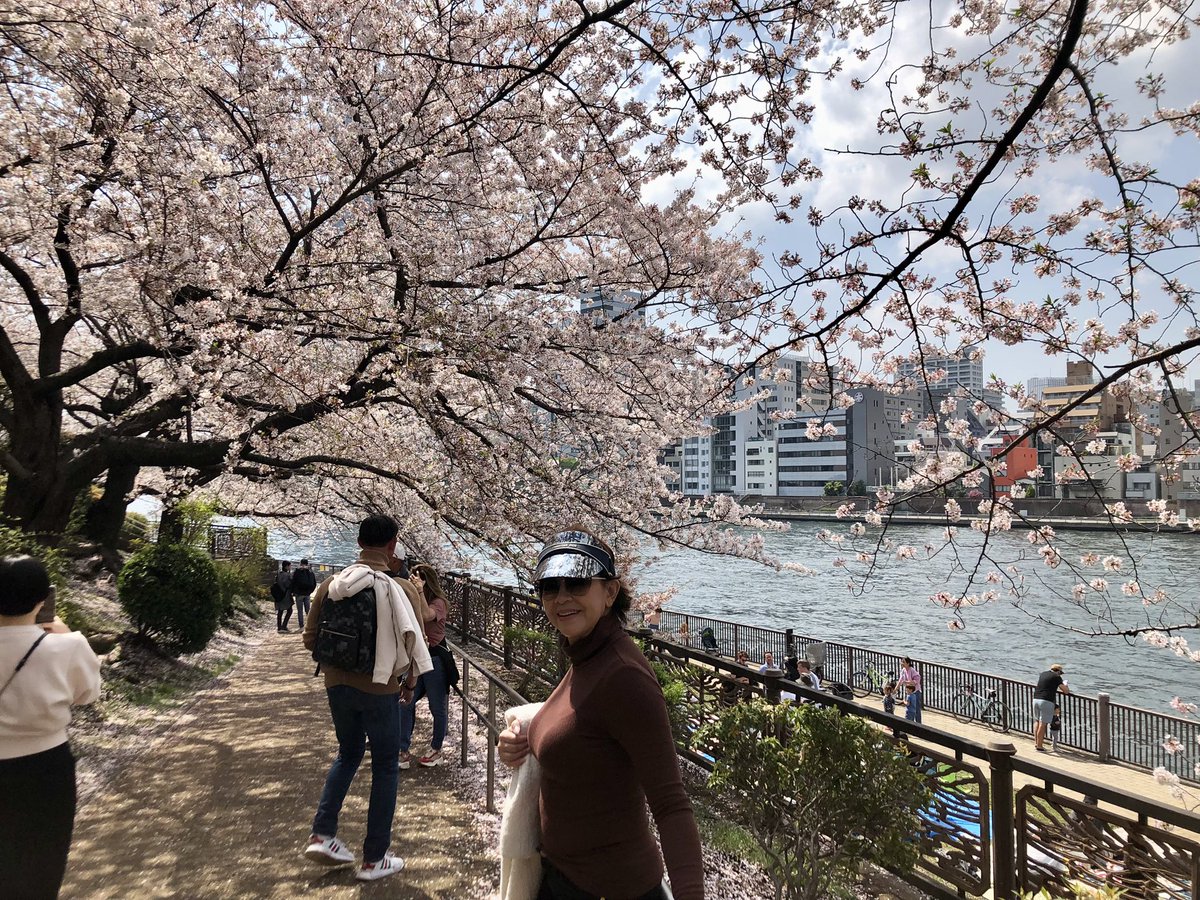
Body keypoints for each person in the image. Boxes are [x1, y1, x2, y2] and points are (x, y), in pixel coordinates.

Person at [497, 529, 704, 900]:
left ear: (610, 592)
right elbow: (582, 729)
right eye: (549, 587)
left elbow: (671, 805)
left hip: (613, 888)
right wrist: (524, 739)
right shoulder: (586, 653)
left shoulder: (623, 675)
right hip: (562, 878)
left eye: (576, 583)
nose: (561, 598)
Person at [301, 515, 432, 882]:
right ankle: (375, 858)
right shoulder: (400, 587)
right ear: (392, 546)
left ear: (358, 542)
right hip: (381, 688)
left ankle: (322, 834)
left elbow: (310, 640)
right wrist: (408, 685)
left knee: (348, 752)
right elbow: (416, 643)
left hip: (335, 685)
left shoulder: (331, 584)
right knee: (386, 765)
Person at [0, 555, 101, 900]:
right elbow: (87, 694)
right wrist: (66, 632)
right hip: (44, 768)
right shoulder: (67, 646)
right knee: (39, 863)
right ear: (43, 599)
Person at [399, 563, 450, 769]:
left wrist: (419, 591)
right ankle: (402, 749)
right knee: (405, 702)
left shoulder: (439, 602)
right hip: (417, 658)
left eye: (418, 579)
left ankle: (436, 750)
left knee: (437, 707)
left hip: (436, 659)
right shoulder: (415, 599)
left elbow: (426, 616)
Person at [1033, 663, 1069, 752]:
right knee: (1043, 723)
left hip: (1036, 699)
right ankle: (1040, 746)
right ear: (1058, 672)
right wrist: (1065, 685)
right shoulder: (1056, 677)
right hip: (1046, 701)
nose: (1060, 675)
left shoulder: (1043, 673)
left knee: (1037, 721)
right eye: (1060, 673)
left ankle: (1036, 743)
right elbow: (1065, 691)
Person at [290, 559, 318, 630]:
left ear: (301, 563)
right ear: (307, 563)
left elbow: (293, 582)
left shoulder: (297, 571)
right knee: (308, 610)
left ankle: (301, 626)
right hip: (307, 594)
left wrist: (293, 591)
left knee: (300, 611)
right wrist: (310, 591)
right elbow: (314, 583)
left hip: (299, 594)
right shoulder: (310, 572)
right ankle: (310, 625)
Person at [273, 561, 294, 632]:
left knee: (280, 611)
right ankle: (284, 626)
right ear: (286, 566)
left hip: (278, 594)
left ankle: (279, 627)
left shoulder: (278, 574)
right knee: (289, 610)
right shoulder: (288, 575)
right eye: (289, 566)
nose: (290, 567)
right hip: (286, 595)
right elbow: (288, 585)